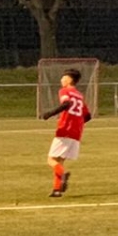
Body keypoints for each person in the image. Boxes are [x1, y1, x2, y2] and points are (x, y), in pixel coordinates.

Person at [38, 68, 90, 197]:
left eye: (63, 77)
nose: (61, 80)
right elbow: (88, 116)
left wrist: (49, 114)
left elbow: (66, 103)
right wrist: (77, 123)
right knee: (60, 161)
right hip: (76, 132)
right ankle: (57, 190)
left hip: (65, 129)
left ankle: (62, 176)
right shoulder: (79, 95)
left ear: (69, 79)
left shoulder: (65, 91)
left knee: (51, 160)